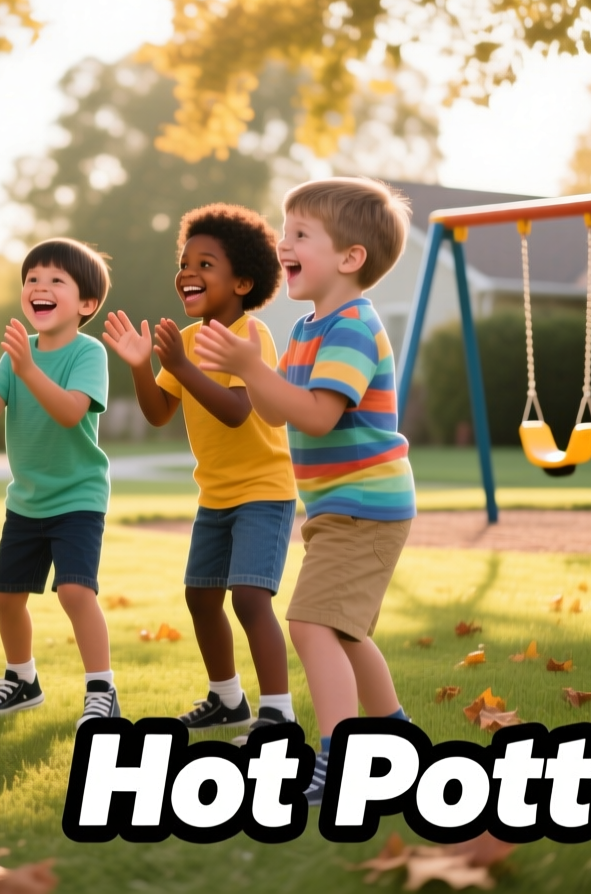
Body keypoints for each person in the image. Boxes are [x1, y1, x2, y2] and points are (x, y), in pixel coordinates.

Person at [195, 177, 416, 806]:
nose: (281, 242)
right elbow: (276, 413)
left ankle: (342, 759)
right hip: (339, 507)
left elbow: (318, 415)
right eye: (282, 229)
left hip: (365, 505)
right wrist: (246, 371)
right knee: (346, 632)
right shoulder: (308, 328)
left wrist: (250, 369)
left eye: (299, 234)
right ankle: (393, 738)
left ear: (350, 258)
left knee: (311, 623)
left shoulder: (351, 326)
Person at [101, 203, 299, 739]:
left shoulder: (249, 337)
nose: (188, 272)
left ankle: (278, 713)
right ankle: (227, 698)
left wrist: (183, 368)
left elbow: (237, 412)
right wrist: (143, 365)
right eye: (185, 262)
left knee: (250, 597)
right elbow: (159, 412)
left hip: (263, 490)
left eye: (205, 264)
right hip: (215, 495)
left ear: (242, 282)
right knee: (200, 596)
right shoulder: (184, 344)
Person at [0, 238, 119, 730]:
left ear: (86, 304)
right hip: (26, 498)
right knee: (7, 595)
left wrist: (26, 368)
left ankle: (101, 689)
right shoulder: (16, 352)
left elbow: (70, 412)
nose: (39, 287)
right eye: (32, 279)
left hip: (78, 496)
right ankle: (22, 681)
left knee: (74, 592)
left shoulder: (89, 353)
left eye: (55, 281)